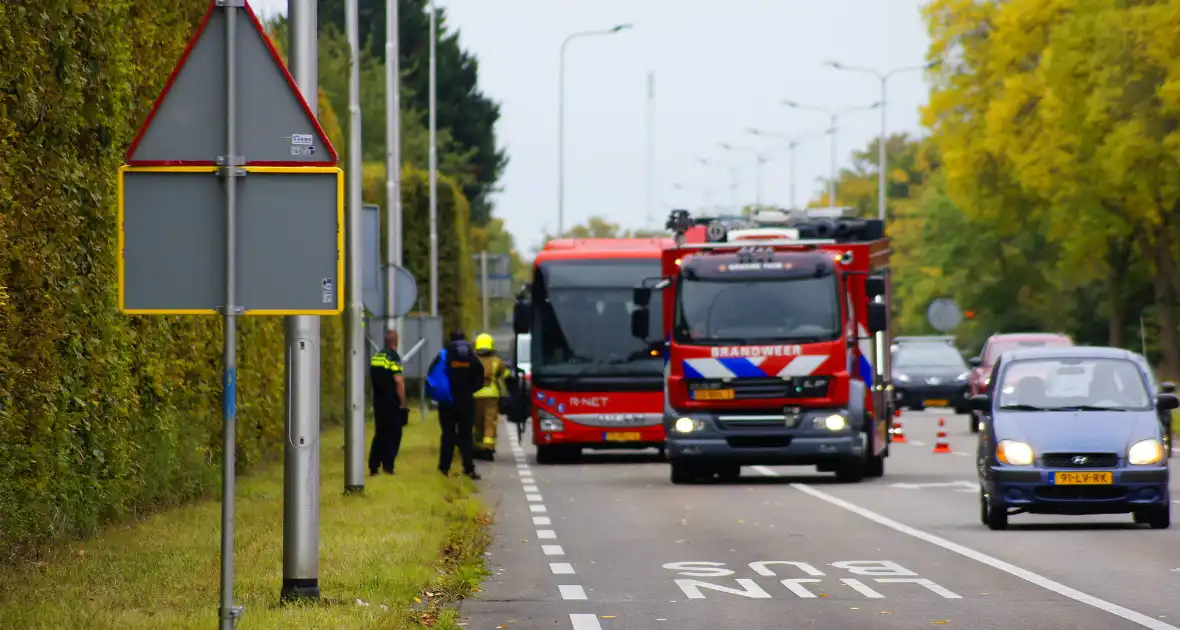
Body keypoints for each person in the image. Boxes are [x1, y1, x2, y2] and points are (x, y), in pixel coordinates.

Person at [428, 329, 484, 479]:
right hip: (466, 402)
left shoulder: (443, 356)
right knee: (466, 436)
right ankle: (468, 468)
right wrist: (469, 390)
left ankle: (444, 468)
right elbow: (480, 377)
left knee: (448, 435)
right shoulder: (471, 356)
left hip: (447, 402)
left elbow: (432, 376)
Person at [369, 329, 408, 475]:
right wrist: (403, 402)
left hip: (378, 401)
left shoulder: (376, 357)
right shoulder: (393, 357)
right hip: (392, 402)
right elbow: (398, 381)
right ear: (396, 342)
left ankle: (373, 465)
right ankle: (388, 465)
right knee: (394, 434)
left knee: (380, 433)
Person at [473, 333, 511, 460]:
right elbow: (507, 376)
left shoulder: (472, 361)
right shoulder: (496, 361)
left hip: (474, 395)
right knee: (490, 422)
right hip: (491, 396)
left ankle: (477, 446)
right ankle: (488, 447)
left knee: (477, 422)